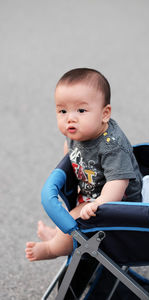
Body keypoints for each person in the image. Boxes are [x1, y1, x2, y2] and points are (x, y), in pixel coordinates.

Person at [25, 68, 142, 261]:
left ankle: (51, 249)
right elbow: (70, 151)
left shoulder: (112, 146)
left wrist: (99, 204)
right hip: (92, 191)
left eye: (81, 110)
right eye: (62, 111)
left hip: (119, 204)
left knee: (73, 221)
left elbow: (118, 183)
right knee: (72, 215)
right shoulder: (78, 131)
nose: (70, 118)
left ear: (105, 114)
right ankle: (57, 234)